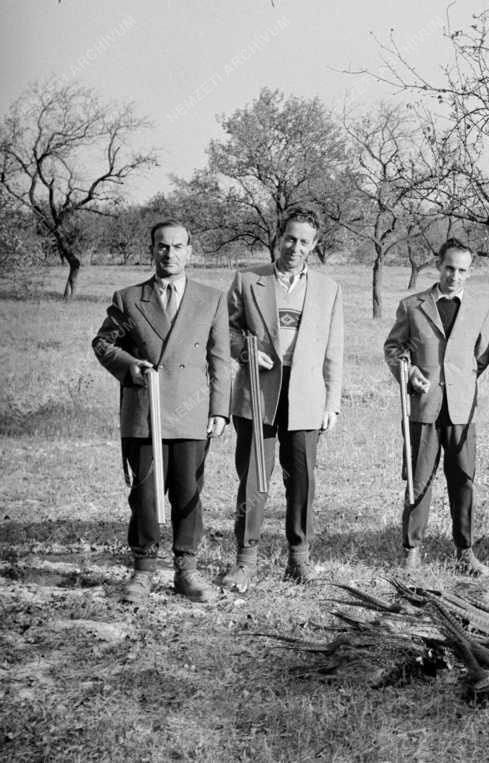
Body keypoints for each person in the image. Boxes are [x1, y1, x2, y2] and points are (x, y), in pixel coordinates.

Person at [92, 220, 230, 604]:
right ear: (152, 249)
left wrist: (219, 409)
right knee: (145, 495)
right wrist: (128, 365)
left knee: (188, 493)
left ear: (190, 250)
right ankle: (143, 571)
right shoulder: (127, 298)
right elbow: (103, 343)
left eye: (177, 246)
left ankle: (187, 570)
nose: (169, 254)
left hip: (191, 414)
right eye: (162, 246)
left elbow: (220, 359)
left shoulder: (212, 299)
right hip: (144, 414)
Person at [221, 207, 344, 590]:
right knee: (255, 479)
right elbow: (224, 329)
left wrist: (331, 403)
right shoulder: (247, 280)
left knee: (302, 480)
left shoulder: (328, 289)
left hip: (305, 396)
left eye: (304, 241)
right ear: (279, 237)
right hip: (258, 394)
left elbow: (333, 350)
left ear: (314, 245)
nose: (295, 247)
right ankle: (245, 560)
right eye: (290, 238)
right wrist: (244, 351)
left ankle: (299, 558)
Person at [383, 238, 489, 575]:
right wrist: (409, 371)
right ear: (438, 265)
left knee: (463, 480)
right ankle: (412, 549)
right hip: (424, 409)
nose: (454, 276)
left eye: (462, 270)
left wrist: (461, 382)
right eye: (449, 268)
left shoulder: (479, 310)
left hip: (463, 411)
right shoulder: (412, 306)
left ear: (470, 273)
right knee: (419, 479)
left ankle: (464, 551)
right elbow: (393, 347)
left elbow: (482, 357)